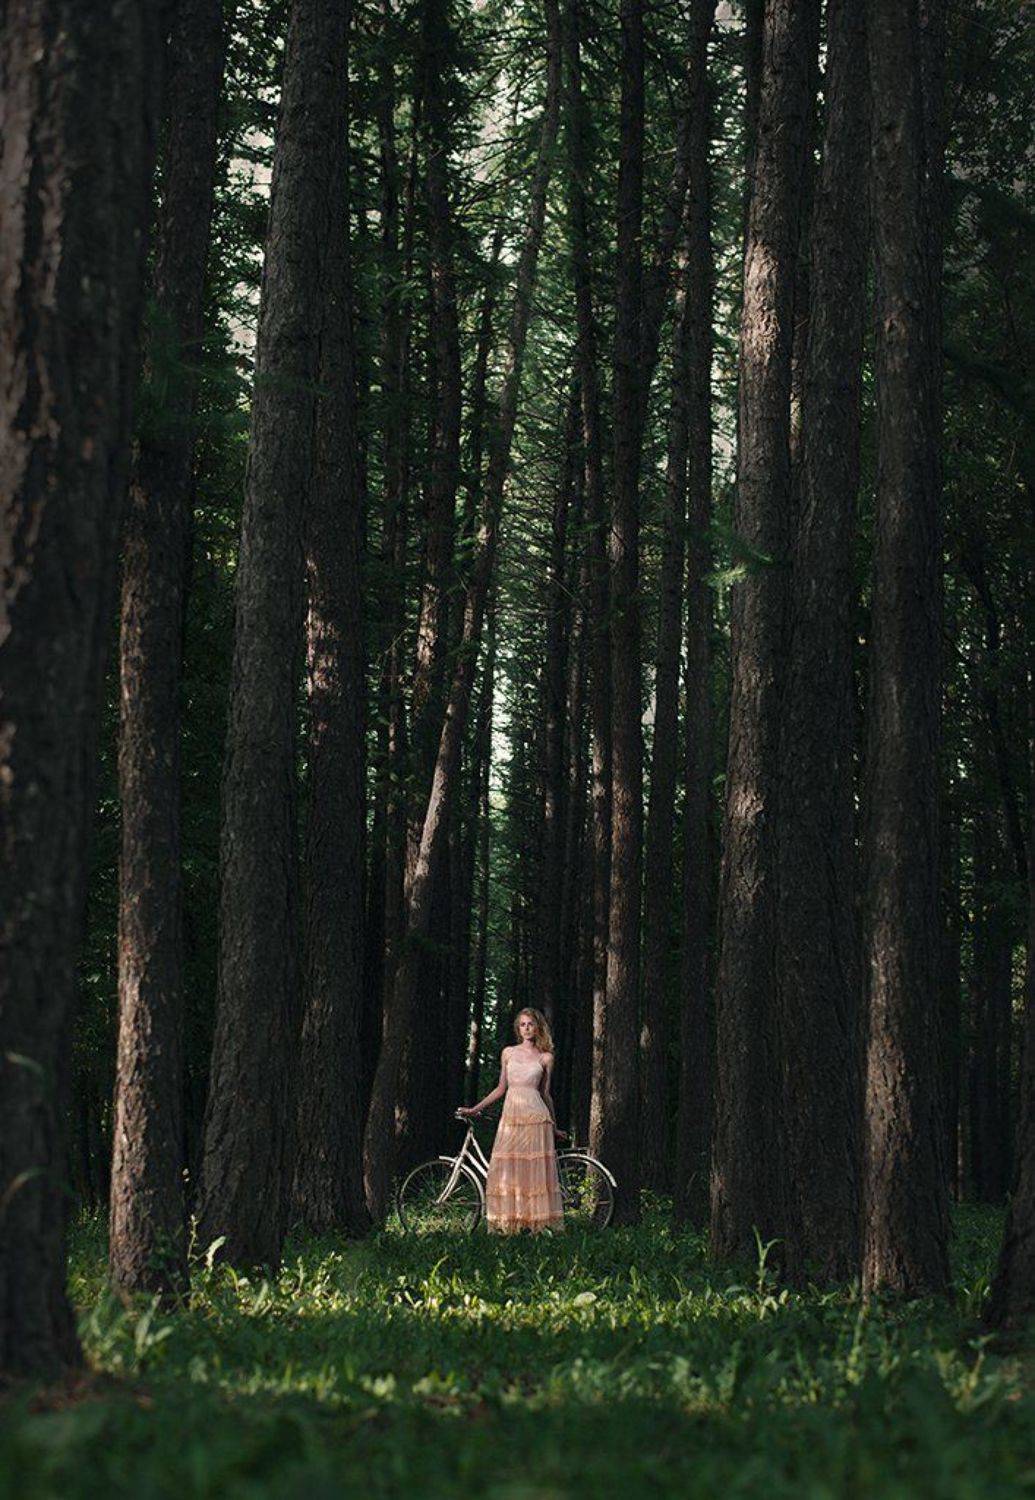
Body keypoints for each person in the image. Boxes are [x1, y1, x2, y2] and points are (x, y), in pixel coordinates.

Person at [458, 1007, 565, 1233]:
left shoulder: (546, 1057)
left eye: (530, 1024)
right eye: (522, 1024)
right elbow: (500, 1088)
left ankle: (536, 1224)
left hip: (536, 1117)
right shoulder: (508, 1053)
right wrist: (474, 1109)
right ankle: (510, 1222)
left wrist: (554, 1127)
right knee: (506, 1166)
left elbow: (546, 1094)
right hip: (511, 1117)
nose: (526, 1028)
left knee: (533, 1170)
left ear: (538, 1027)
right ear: (518, 1028)